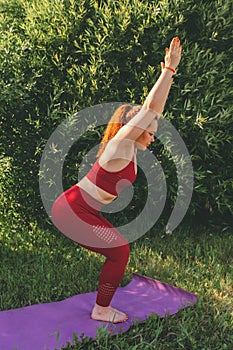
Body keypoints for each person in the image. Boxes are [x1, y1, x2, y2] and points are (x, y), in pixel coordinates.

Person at [51, 37, 182, 323]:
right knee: (120, 251)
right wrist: (167, 71)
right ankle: (101, 309)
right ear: (134, 130)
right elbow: (149, 111)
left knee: (119, 250)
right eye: (149, 131)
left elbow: (153, 113)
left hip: (80, 210)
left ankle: (102, 306)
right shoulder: (119, 146)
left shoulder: (131, 150)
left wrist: (168, 78)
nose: (153, 135)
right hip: (72, 210)